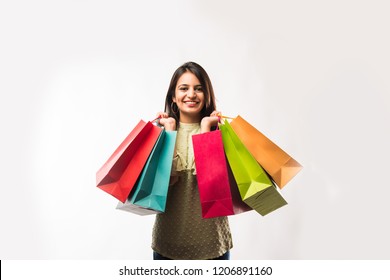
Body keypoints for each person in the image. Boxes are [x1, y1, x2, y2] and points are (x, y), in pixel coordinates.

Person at [151, 61, 233, 260]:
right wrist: (169, 130)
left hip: (213, 244)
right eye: (183, 88)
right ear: (173, 96)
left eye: (198, 89)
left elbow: (211, 184)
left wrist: (206, 128)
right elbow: (165, 182)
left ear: (207, 95)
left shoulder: (219, 131)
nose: (191, 95)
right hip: (167, 244)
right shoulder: (160, 132)